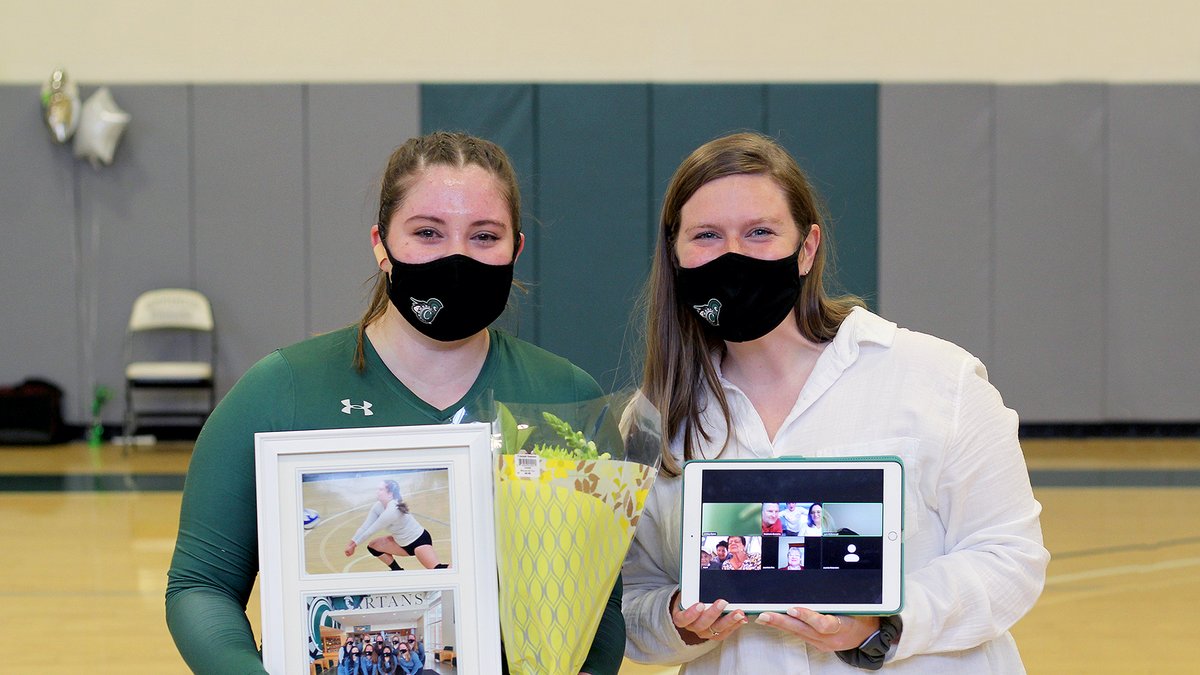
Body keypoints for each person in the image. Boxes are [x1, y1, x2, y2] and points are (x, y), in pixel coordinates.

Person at [165, 132, 624, 675]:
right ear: (381, 244)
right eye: (428, 232)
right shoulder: (281, 389)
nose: (457, 257)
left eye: (484, 236)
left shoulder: (565, 399)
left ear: (515, 251)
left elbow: (601, 605)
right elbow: (201, 585)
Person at [622, 132, 1048, 672]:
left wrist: (881, 623)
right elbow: (633, 599)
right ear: (676, 257)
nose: (733, 255)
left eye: (759, 232)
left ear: (806, 248)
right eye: (707, 235)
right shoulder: (653, 419)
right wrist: (678, 621)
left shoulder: (938, 379)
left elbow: (1011, 558)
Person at [345, 479, 446, 570]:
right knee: (373, 546)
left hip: (419, 542)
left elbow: (371, 530)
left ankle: (460, 570)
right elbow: (364, 527)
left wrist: (354, 545)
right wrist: (351, 544)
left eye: (380, 489)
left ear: (390, 494)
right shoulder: (378, 506)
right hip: (401, 544)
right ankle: (397, 571)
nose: (377, 492)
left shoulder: (392, 510)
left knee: (437, 569)